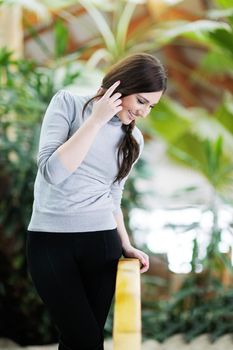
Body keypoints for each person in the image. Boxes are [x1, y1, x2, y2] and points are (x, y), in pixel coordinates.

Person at [26, 52, 167, 350]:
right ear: (120, 86)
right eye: (141, 101)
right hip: (49, 243)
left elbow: (113, 196)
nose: (144, 113)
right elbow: (53, 172)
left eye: (151, 106)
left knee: (79, 341)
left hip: (101, 244)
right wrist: (97, 120)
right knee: (84, 339)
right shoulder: (67, 104)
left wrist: (126, 245)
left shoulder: (134, 140)